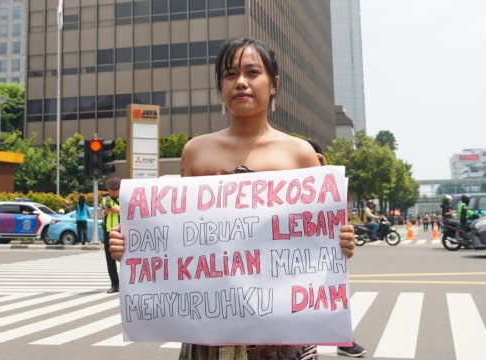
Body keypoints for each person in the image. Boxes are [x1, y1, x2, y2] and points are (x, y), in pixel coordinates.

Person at [109, 37, 356, 360]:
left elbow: (318, 245)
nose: (240, 82)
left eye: (252, 72)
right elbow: (181, 237)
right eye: (229, 75)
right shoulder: (197, 152)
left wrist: (342, 243)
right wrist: (131, 245)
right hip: (213, 334)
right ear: (221, 85)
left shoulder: (300, 155)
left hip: (282, 335)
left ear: (273, 84)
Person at [308, 140, 366, 358]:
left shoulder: (326, 193)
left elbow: (335, 225)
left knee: (326, 296)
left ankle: (343, 339)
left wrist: (346, 242)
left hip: (315, 265)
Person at [102, 177, 121, 294]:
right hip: (108, 231)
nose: (111, 192)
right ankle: (115, 284)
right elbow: (100, 213)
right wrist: (105, 212)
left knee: (125, 259)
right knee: (110, 259)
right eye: (109, 190)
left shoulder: (124, 198)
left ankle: (128, 284)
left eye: (113, 190)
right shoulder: (105, 198)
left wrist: (118, 209)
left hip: (122, 230)